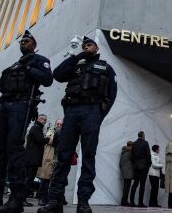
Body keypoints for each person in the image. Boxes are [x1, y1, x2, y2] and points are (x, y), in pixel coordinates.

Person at [0, 31, 53, 213]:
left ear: (34, 44)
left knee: (14, 148)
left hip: (22, 104)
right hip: (5, 106)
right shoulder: (15, 64)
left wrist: (30, 70)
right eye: (22, 41)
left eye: (27, 41)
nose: (23, 43)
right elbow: (2, 84)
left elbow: (48, 80)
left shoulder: (39, 60)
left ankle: (16, 198)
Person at [38, 36, 117, 213]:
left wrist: (99, 115)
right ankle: (55, 200)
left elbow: (112, 93)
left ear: (97, 48)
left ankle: (83, 201)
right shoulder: (75, 65)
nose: (86, 47)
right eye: (84, 45)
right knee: (64, 156)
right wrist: (76, 56)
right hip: (72, 111)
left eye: (89, 45)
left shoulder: (106, 67)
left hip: (92, 111)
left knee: (88, 156)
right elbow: (57, 75)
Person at [24, 114, 49, 207]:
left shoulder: (37, 128)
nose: (45, 121)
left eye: (45, 120)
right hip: (32, 159)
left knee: (29, 178)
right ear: (39, 119)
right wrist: (48, 138)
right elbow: (40, 140)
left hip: (32, 158)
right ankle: (22, 199)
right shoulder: (36, 128)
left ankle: (23, 198)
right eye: (43, 119)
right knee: (28, 179)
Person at [37, 119, 62, 205]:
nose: (59, 125)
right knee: (44, 180)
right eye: (58, 124)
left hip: (57, 159)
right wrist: (57, 137)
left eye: (61, 124)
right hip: (48, 158)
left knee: (54, 180)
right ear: (55, 124)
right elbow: (49, 140)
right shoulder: (51, 131)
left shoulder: (63, 133)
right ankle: (41, 198)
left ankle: (51, 199)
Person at [130, 131, 151, 207]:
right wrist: (149, 164)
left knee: (135, 184)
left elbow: (131, 155)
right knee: (142, 184)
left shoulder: (134, 143)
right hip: (143, 166)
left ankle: (132, 202)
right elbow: (148, 154)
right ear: (143, 135)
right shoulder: (145, 143)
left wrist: (134, 163)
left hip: (136, 165)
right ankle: (140, 202)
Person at [119, 141, 134, 206]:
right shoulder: (129, 153)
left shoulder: (123, 153)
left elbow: (120, 164)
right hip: (128, 172)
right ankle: (124, 202)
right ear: (130, 146)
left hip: (125, 172)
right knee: (126, 188)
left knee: (125, 187)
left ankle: (124, 201)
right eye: (132, 147)